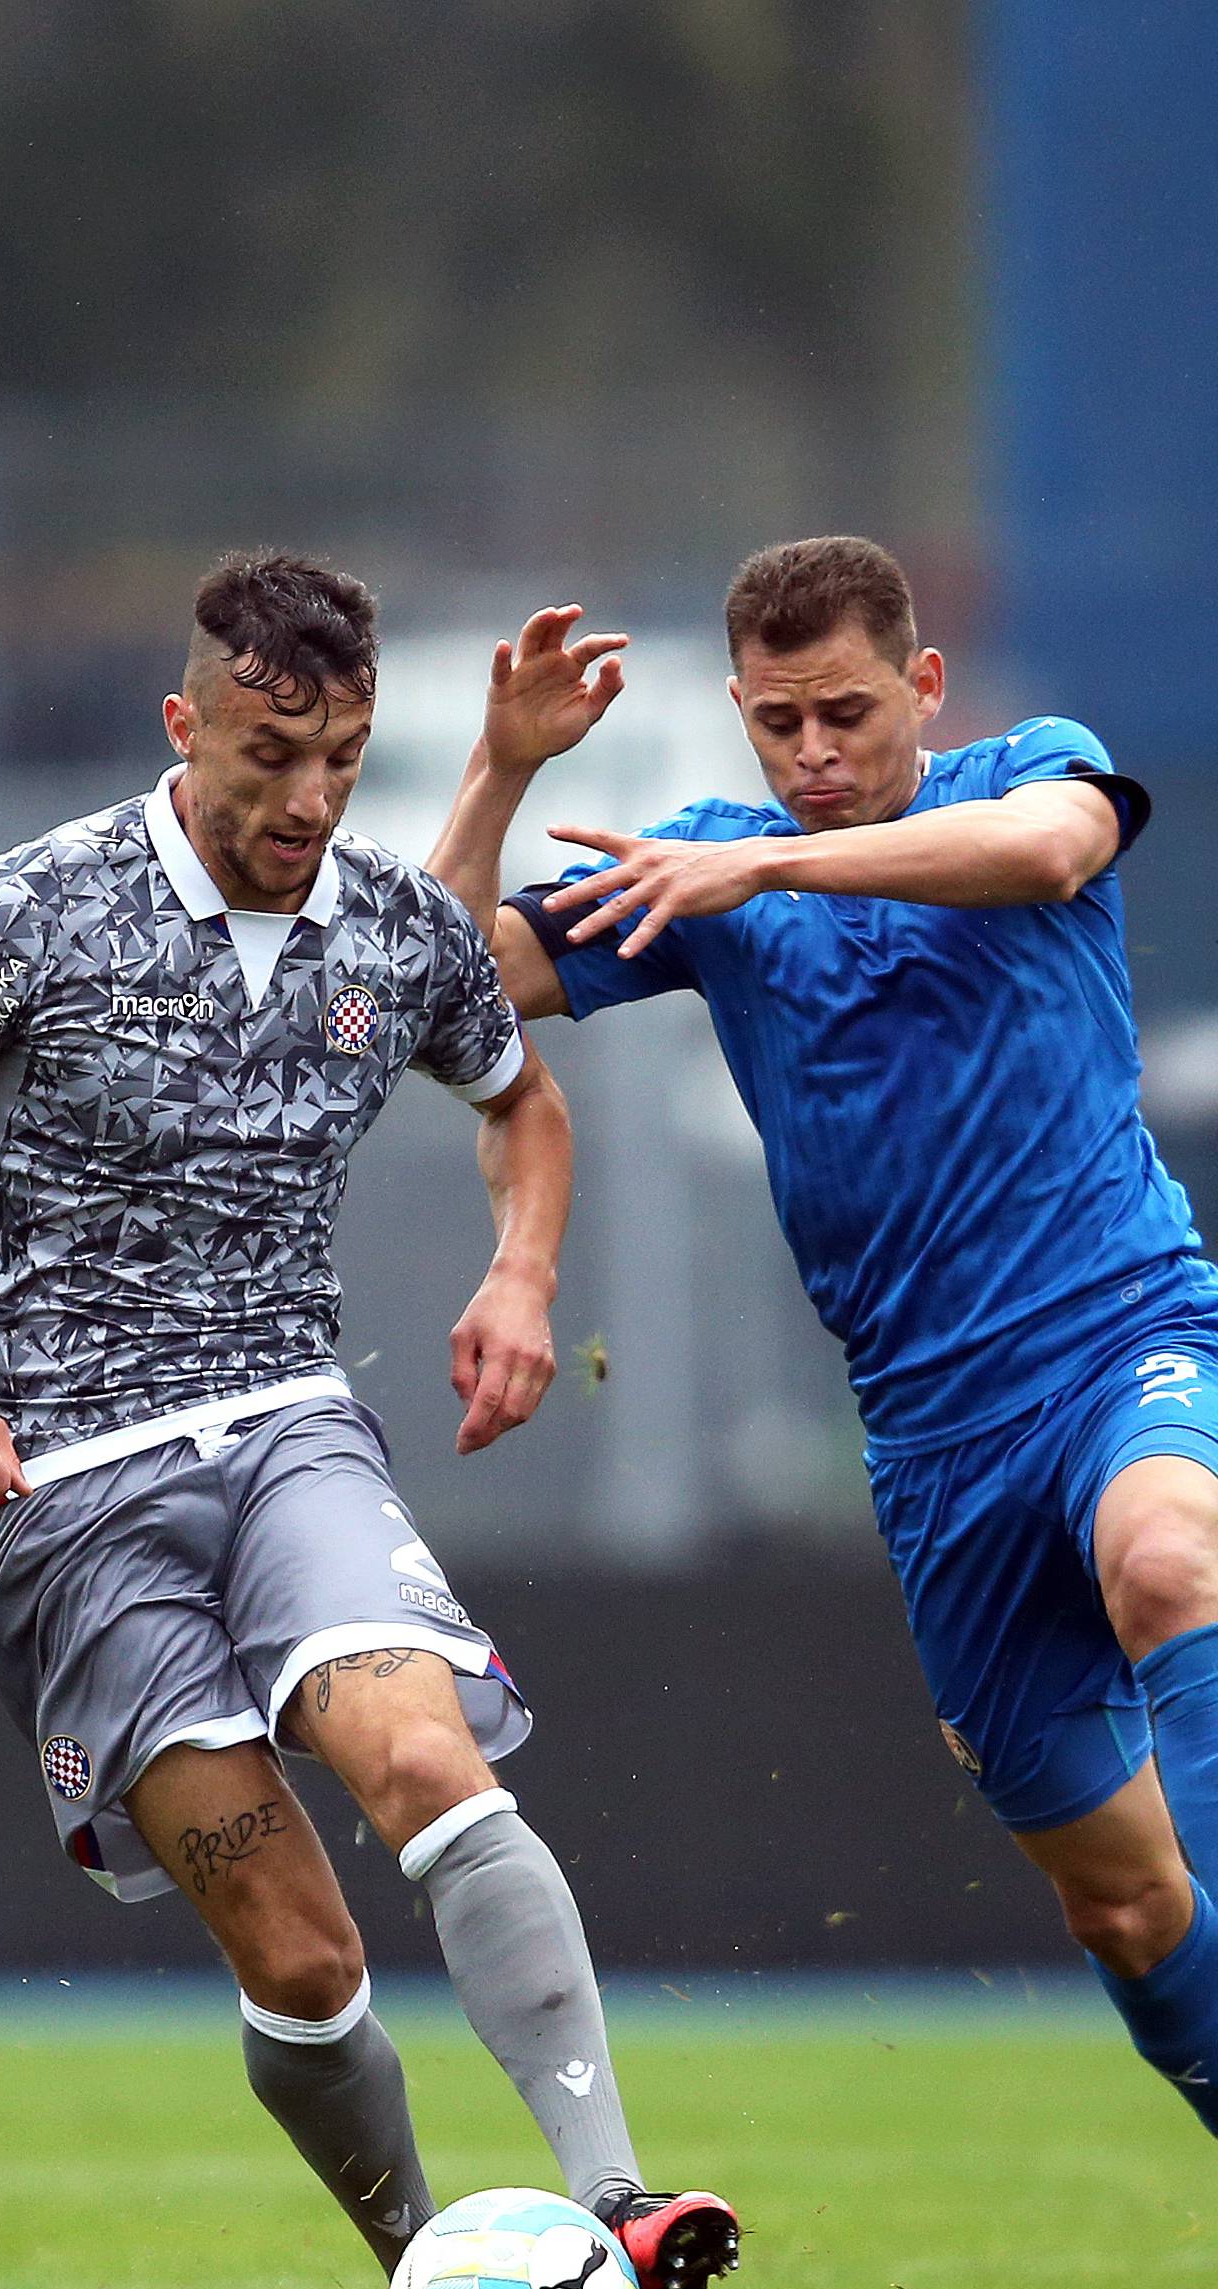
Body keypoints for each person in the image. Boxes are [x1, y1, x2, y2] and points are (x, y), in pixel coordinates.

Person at [0, 553, 740, 2289]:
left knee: (423, 1754)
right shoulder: (27, 914)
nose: (309, 800)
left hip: (292, 1425)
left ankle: (617, 2197)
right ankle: (430, 2267)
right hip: (66, 1496)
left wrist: (524, 1271)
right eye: (271, 755)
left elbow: (520, 1095)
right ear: (188, 725)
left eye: (344, 758)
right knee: (303, 1960)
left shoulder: (392, 922)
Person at [430, 533, 1218, 2142]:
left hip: (1118, 1332)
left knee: (1172, 1558)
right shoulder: (697, 873)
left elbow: (1055, 852)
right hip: (936, 1449)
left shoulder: (1019, 773)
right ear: (739, 714)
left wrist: (763, 871)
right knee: (1126, 1909)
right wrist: (500, 772)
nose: (815, 755)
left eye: (847, 713)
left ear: (923, 686)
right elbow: (445, 992)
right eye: (778, 725)